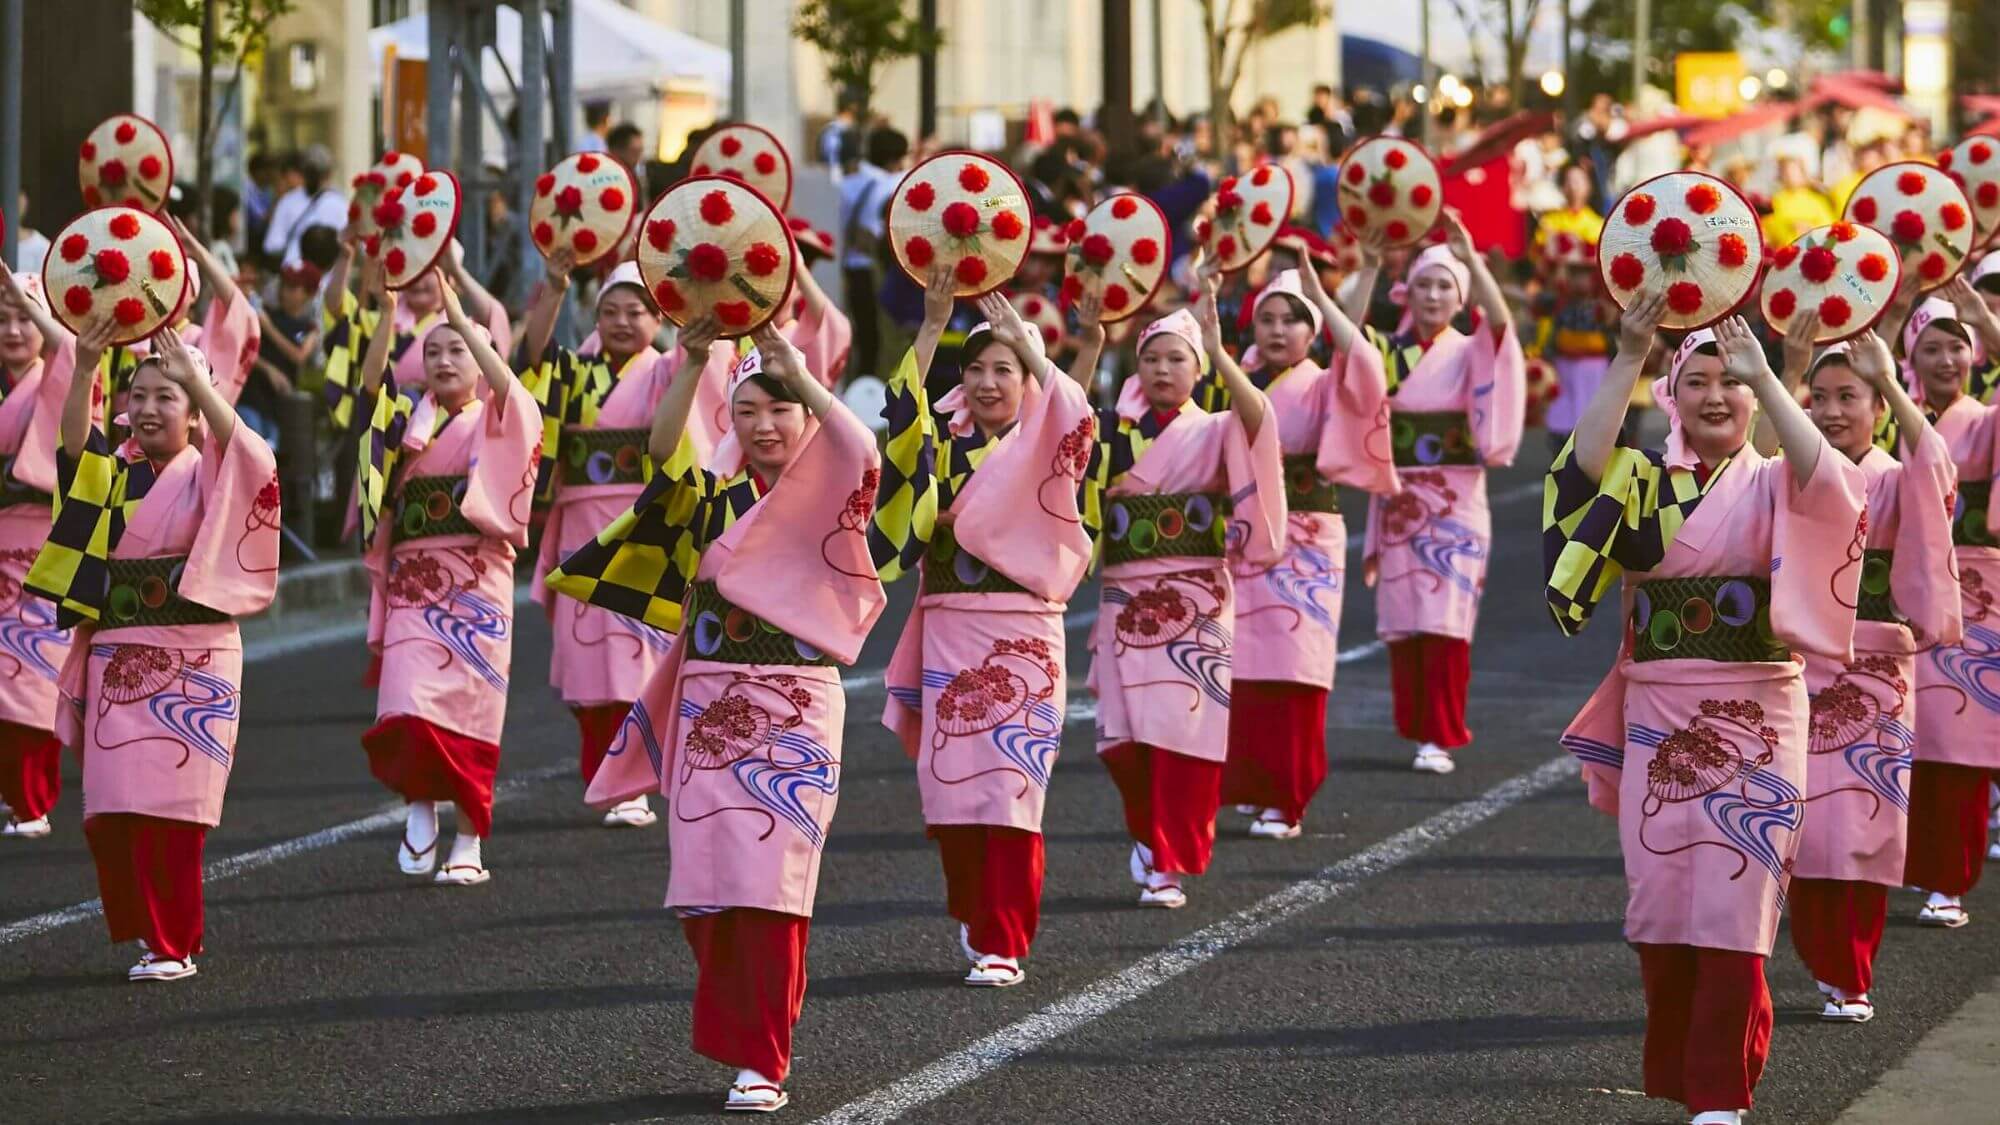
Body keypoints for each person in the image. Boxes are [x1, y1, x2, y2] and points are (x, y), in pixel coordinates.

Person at [547, 320, 886, 1114]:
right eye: (747, 412)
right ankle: (754, 1024)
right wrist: (696, 358)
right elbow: (662, 451)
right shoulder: (711, 493)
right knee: (708, 883)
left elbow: (862, 447)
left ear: (806, 414)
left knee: (772, 878)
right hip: (709, 699)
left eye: (782, 410)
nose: (765, 425)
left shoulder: (832, 491)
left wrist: (795, 367)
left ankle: (763, 1053)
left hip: (797, 701)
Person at [1546, 295, 1865, 1125]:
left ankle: (1721, 1086)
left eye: (1732, 381)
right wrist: (1626, 355)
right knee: (1659, 894)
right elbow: (1579, 475)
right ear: (1672, 395)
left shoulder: (1776, 481)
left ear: (1756, 394)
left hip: (1762, 709)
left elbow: (1835, 486)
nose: (1716, 395)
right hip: (1659, 709)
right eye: (1698, 381)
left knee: (1738, 893)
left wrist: (1771, 373)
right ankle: (1689, 1067)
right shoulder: (1641, 481)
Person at [25, 314, 281, 982]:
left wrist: (198, 378)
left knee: (173, 811)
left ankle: (175, 942)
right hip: (119, 652)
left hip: (195, 653)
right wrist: (83, 369)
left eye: (166, 397)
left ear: (195, 414)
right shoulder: (116, 474)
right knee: (112, 809)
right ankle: (152, 930)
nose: (146, 408)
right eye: (137, 396)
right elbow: (74, 457)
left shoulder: (213, 472)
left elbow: (253, 458)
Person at [871, 268, 1095, 986]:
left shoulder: (1043, 448)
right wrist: (934, 322)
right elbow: (899, 432)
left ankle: (1003, 934)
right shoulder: (942, 443)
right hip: (949, 628)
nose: (991, 381)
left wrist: (1036, 352)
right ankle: (976, 911)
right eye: (978, 368)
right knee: (953, 787)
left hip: (1026, 630)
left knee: (1011, 786)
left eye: (1007, 368)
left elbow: (1076, 418)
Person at [1082, 273, 1284, 909]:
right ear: (1135, 365)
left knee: (1185, 733)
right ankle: (1147, 835)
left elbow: (1261, 418)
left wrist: (1224, 351)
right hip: (1123, 598)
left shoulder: (1219, 424)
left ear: (1198, 368)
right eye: (1152, 357)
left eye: (1178, 358)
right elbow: (1061, 435)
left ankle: (1167, 858)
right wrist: (1090, 344)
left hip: (1198, 599)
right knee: (1124, 737)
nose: (1164, 369)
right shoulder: (1113, 429)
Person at [1779, 324, 1960, 1022]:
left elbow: (1937, 468)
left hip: (1880, 660)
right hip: (1799, 661)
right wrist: (1787, 363)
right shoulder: (1793, 467)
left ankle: (1852, 969)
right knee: (1807, 820)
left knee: (1867, 818)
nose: (1830, 411)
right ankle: (1826, 960)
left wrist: (1889, 376)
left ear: (1878, 407)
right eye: (1818, 396)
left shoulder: (1896, 472)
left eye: (1849, 396)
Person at [354, 265, 540, 886]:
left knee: (472, 715)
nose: (442, 358)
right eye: (431, 350)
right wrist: (385, 308)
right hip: (413, 580)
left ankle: (470, 838)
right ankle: (418, 804)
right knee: (407, 702)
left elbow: (510, 393)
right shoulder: (406, 422)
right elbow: (363, 390)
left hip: (477, 581)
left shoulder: (499, 415)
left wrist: (462, 315)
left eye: (457, 347)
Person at [1213, 248, 1398, 839]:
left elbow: (1363, 361)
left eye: (1290, 320)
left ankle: (1287, 795)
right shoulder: (1241, 374)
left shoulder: (1325, 383)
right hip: (1242, 536)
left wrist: (1329, 296)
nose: (1275, 330)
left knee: (1293, 667)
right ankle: (1246, 781)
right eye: (1266, 318)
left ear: (1311, 331)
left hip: (1306, 537)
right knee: (1239, 662)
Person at [1347, 211, 1526, 774]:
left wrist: (1471, 256)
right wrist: (1370, 268)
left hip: (1456, 498)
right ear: (1408, 292)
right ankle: (1414, 726)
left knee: (1447, 619)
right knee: (1405, 617)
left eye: (1445, 285)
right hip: (1401, 497)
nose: (1432, 295)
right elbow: (1344, 339)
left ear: (1460, 296)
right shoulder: (1385, 348)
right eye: (1423, 283)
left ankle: (1440, 733)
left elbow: (1502, 328)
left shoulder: (1473, 348)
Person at [517, 251, 674, 827]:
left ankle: (634, 780)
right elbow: (530, 359)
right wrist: (554, 289)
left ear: (658, 321)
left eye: (637, 311)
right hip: (583, 527)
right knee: (592, 667)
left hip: (645, 529)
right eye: (611, 310)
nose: (624, 321)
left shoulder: (664, 370)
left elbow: (702, 382)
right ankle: (608, 776)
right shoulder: (573, 372)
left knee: (640, 664)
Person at [1902, 281, 2000, 928]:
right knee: (1912, 739)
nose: (1946, 361)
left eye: (1957, 349)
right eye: (1932, 349)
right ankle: (1911, 864)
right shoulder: (1887, 416)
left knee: (1962, 741)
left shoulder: (1986, 419)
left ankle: (1949, 879)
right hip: (1902, 593)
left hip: (1975, 592)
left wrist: (1985, 319)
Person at [0, 265, 75, 838]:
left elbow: (71, 352)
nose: (13, 330)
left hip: (42, 544)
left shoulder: (62, 377)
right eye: (2, 319)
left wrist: (43, 318)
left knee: (29, 674)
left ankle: (33, 802)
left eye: (23, 319)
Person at [839, 128, 909, 379]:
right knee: (882, 338)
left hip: (848, 268)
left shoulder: (846, 182)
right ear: (895, 159)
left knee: (860, 337)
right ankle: (874, 390)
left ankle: (858, 387)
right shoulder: (891, 184)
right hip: (878, 271)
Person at [245, 262, 321, 447]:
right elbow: (245, 350)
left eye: (293, 287)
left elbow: (299, 356)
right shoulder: (266, 314)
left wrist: (268, 326)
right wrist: (268, 369)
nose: (285, 291)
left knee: (271, 453)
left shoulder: (309, 327)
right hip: (251, 398)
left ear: (308, 293)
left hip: (279, 408)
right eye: (284, 284)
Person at [262, 145, 348, 269]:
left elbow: (272, 246)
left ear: (303, 172)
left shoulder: (287, 201)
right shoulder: (340, 204)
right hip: (330, 279)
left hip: (295, 277)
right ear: (329, 173)